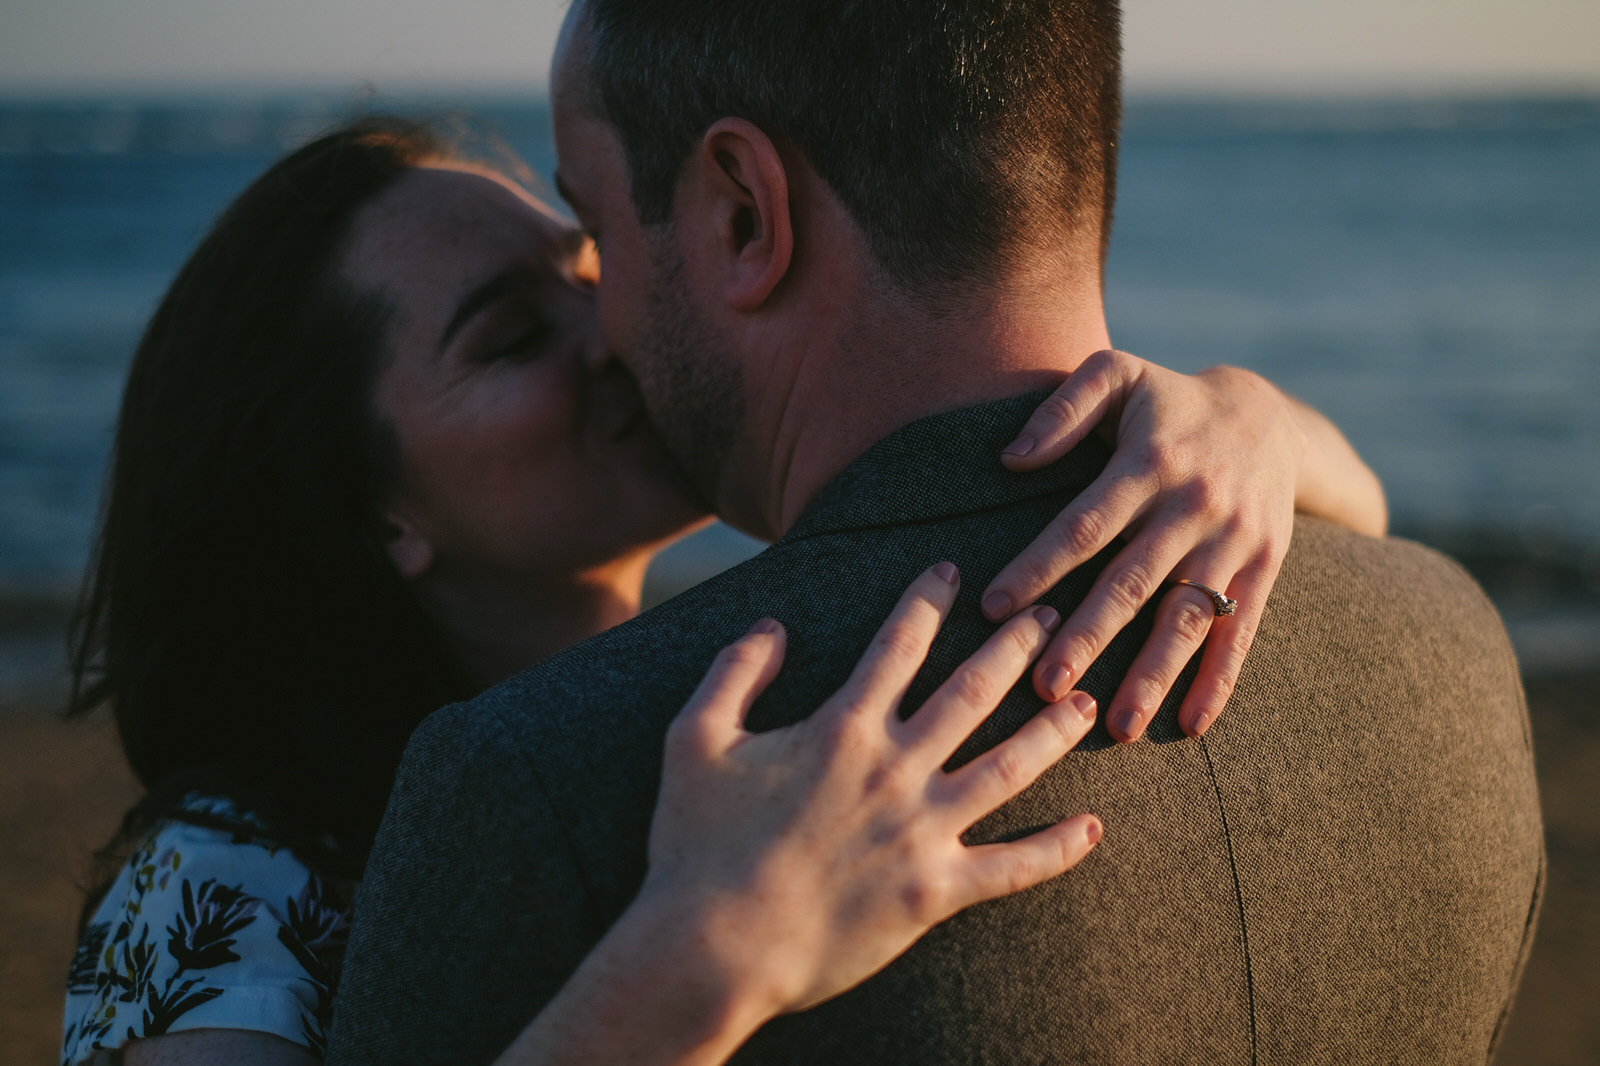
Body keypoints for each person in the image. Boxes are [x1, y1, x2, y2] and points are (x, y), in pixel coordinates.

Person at [328, 2, 1545, 1064]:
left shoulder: (530, 793)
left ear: (743, 214)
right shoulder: (1453, 647)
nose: (605, 334)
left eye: (601, 232)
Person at [59, 118, 1384, 1066]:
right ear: (370, 514)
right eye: (514, 334)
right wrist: (708, 960)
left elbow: (1365, 518)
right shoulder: (220, 874)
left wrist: (1248, 423)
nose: (613, 331)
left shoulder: (715, 717)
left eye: (589, 270)